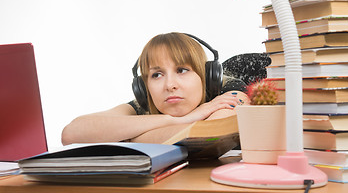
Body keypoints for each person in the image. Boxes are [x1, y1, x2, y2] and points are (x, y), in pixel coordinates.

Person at [61, 32, 255, 145]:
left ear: (206, 77)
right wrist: (180, 120)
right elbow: (71, 134)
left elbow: (205, 135)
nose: (170, 85)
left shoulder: (230, 89)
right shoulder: (142, 105)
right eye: (157, 74)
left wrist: (125, 136)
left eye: (182, 70)